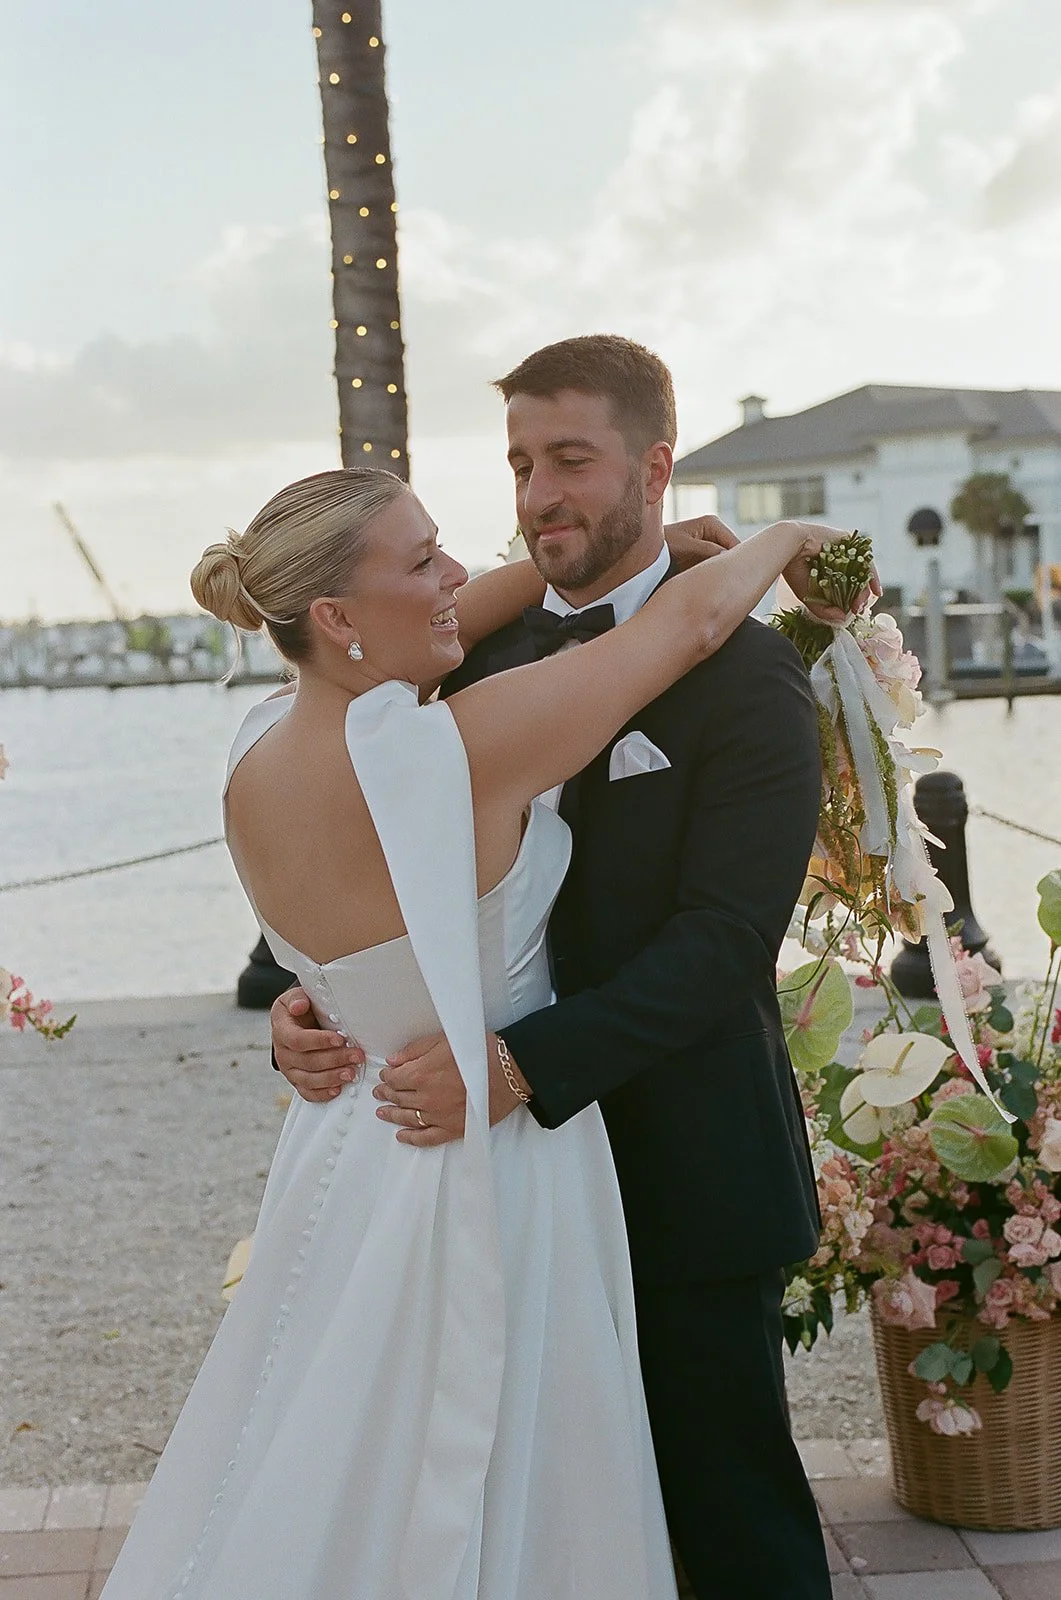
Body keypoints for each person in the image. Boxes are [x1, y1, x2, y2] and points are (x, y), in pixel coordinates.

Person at [100, 453, 840, 1600]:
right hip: (492, 1158)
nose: (460, 572)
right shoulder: (451, 750)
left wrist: (302, 1015)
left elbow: (352, 955)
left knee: (342, 1457)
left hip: (347, 1152)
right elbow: (686, 629)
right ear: (338, 616)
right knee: (514, 1476)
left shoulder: (254, 746)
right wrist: (781, 539)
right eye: (422, 559)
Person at [273, 336, 862, 1599]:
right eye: (521, 463)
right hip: (496, 1194)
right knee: (525, 1522)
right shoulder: (453, 662)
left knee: (731, 1517)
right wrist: (316, 1004)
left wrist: (518, 1065)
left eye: (572, 460)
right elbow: (384, 886)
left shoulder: (754, 675)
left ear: (653, 467)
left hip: (681, 1165)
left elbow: (721, 942)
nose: (540, 493)